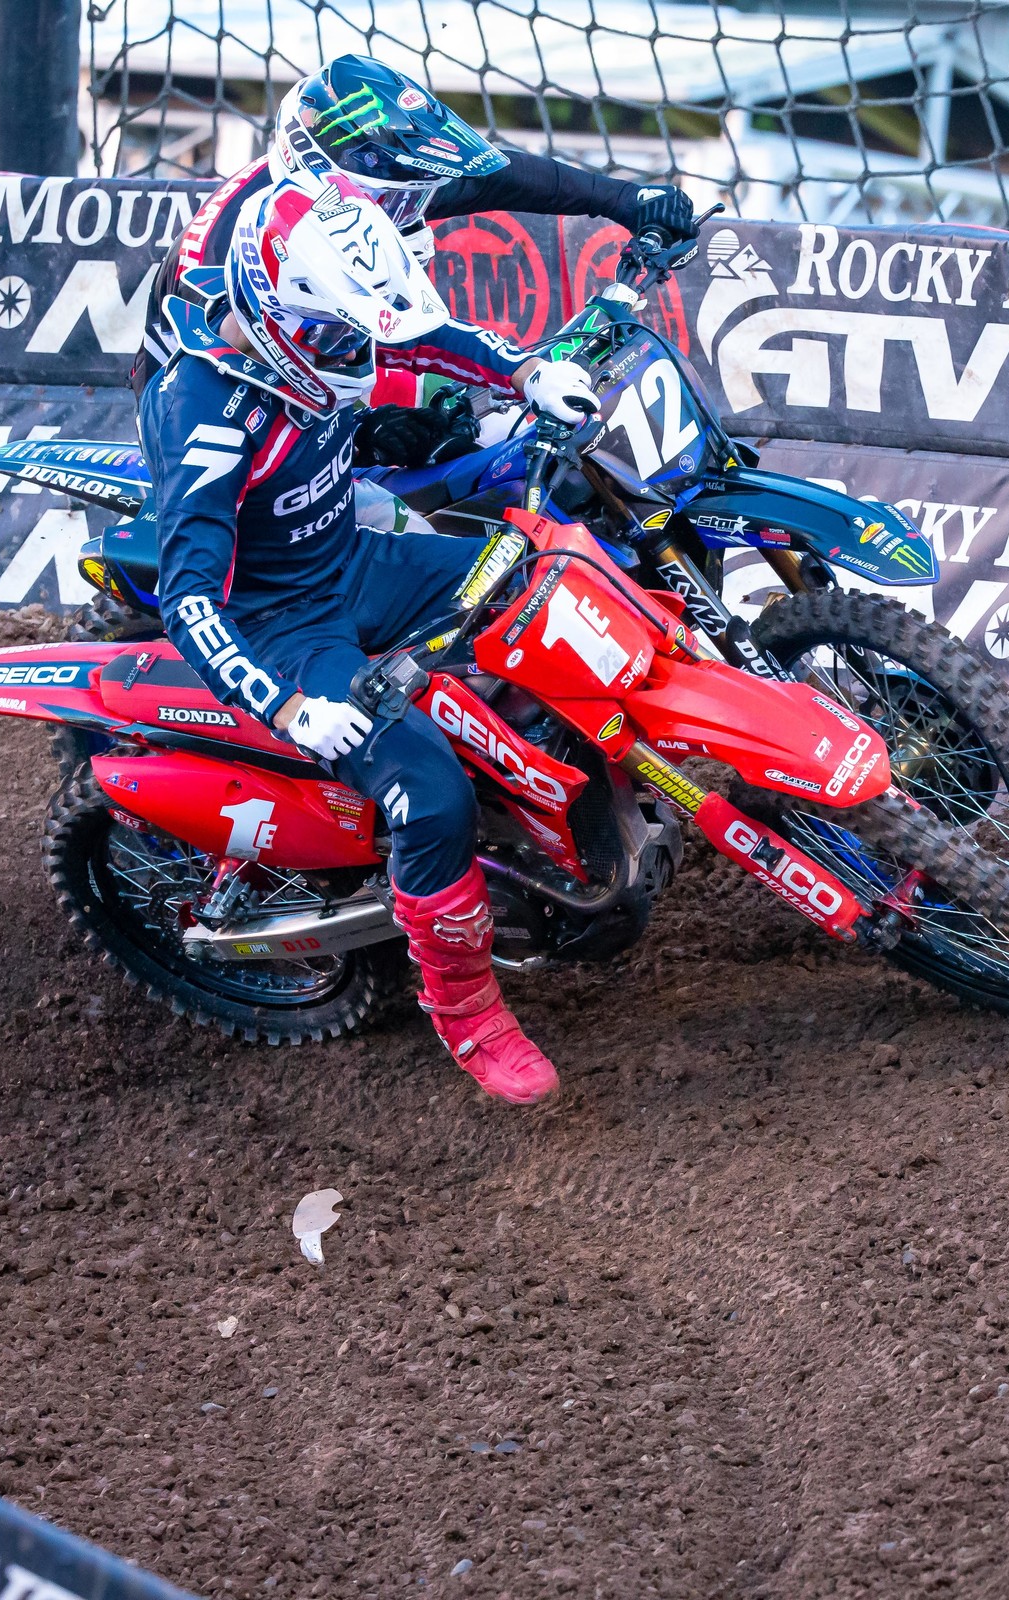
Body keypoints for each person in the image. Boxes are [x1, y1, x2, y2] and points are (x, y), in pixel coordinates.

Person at [141, 171, 604, 1106]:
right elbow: (187, 601)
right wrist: (290, 707)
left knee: (558, 571)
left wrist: (526, 373)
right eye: (339, 337)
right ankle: (468, 1013)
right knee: (431, 799)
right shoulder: (208, 417)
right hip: (283, 627)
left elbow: (421, 334)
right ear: (280, 317)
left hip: (352, 561)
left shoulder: (311, 308)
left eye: (358, 333)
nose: (357, 352)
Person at [131, 53, 700, 405]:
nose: (414, 208)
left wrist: (625, 199)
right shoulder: (234, 250)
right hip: (217, 412)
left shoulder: (333, 190)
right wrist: (368, 434)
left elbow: (496, 177)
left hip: (333, 368)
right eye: (401, 196)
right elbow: (238, 399)